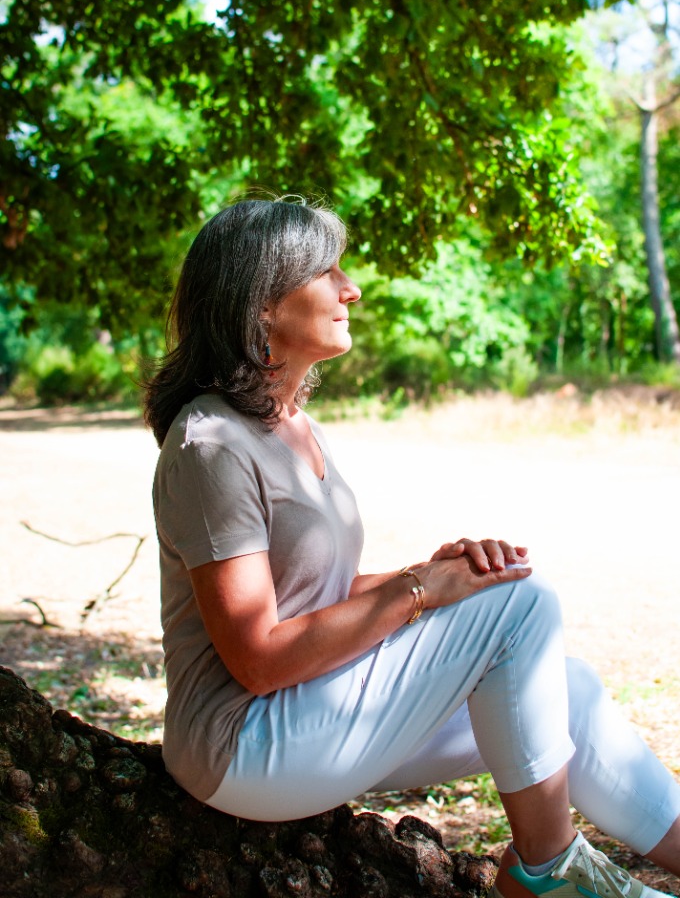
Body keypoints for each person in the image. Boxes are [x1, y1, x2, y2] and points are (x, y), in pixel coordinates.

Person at [144, 198, 680, 898]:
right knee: (520, 604)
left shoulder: (292, 425)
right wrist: (417, 594)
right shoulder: (209, 444)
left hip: (313, 711)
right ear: (262, 303)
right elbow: (258, 658)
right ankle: (547, 876)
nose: (351, 289)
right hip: (243, 747)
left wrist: (435, 573)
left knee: (565, 685)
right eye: (327, 271)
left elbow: (318, 592)